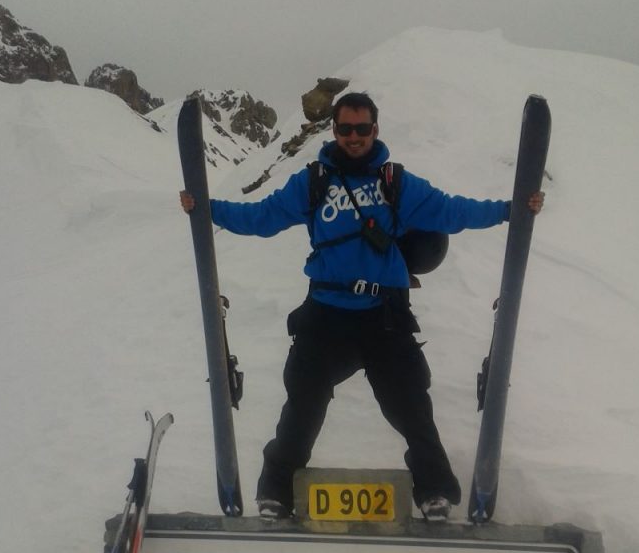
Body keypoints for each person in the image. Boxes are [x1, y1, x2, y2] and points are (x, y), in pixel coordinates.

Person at [180, 92, 544, 521]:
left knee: (411, 404)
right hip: (326, 314)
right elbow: (263, 217)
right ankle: (276, 490)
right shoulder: (314, 181)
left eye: (363, 129)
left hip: (383, 315)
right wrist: (207, 209)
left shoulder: (395, 182)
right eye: (346, 129)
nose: (354, 137)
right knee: (302, 404)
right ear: (334, 130)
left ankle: (434, 491)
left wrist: (509, 209)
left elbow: (450, 211)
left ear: (375, 129)